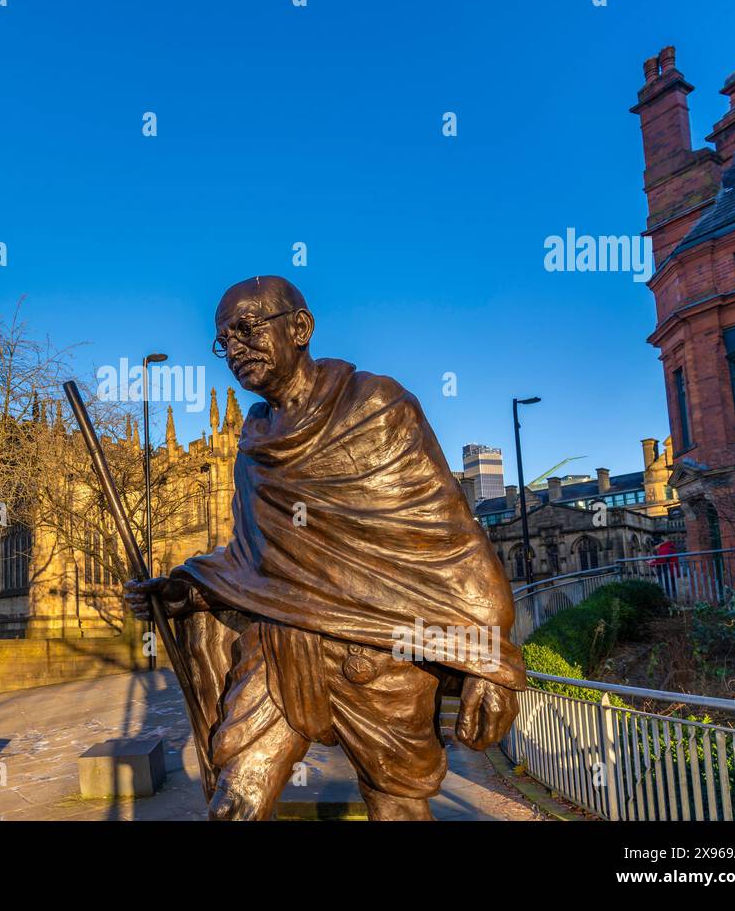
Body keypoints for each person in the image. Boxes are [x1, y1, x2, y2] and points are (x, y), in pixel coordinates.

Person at [125, 276, 525, 820]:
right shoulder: (253, 446)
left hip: (379, 653)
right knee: (233, 801)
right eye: (223, 340)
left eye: (246, 327)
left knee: (396, 808)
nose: (235, 348)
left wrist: (489, 659)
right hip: (278, 648)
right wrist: (186, 588)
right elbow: (251, 558)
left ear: (301, 328)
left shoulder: (376, 407)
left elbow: (450, 540)